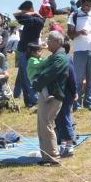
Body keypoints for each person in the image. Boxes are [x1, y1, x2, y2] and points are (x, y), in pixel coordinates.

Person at [31, 31, 73, 166]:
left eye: (49, 40)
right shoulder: (55, 56)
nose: (46, 42)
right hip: (50, 94)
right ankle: (46, 156)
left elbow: (48, 74)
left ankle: (53, 158)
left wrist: (36, 82)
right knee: (42, 125)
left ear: (58, 42)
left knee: (47, 125)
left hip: (53, 96)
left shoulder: (60, 58)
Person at [68, 0, 91, 111]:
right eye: (86, 5)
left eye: (90, 5)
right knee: (78, 79)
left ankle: (89, 102)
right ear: (81, 3)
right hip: (79, 51)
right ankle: (76, 103)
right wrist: (79, 32)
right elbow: (70, 35)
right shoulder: (74, 15)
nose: (88, 7)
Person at [13, 0, 45, 108]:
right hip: (22, 50)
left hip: (30, 51)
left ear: (29, 10)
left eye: (24, 10)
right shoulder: (31, 17)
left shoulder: (36, 19)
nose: (22, 12)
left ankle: (35, 100)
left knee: (29, 77)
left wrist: (31, 13)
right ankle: (29, 102)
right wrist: (31, 12)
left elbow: (18, 14)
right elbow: (16, 14)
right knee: (23, 78)